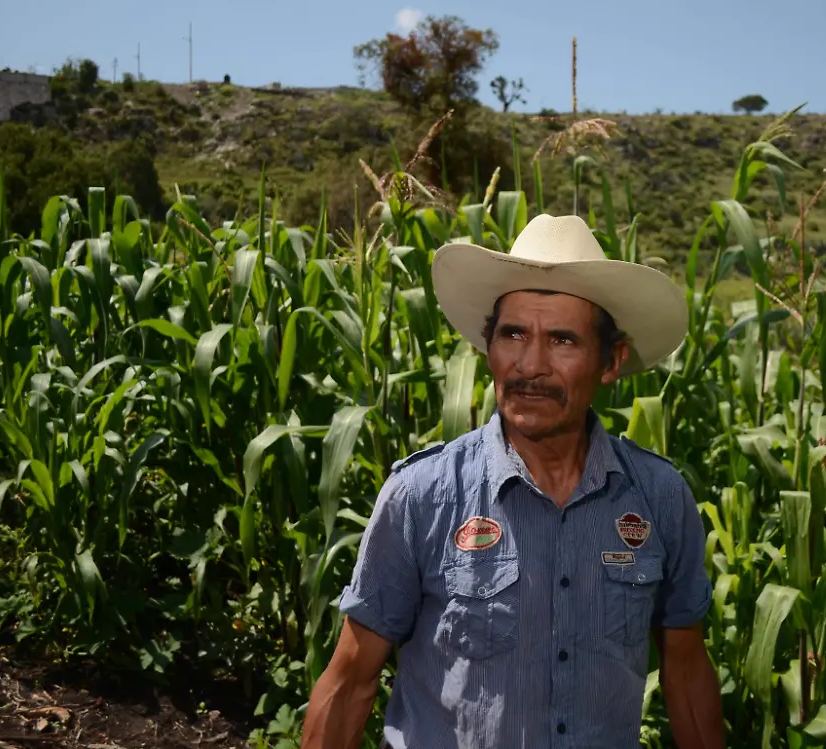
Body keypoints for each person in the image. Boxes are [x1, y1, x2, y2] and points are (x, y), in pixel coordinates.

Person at [302, 214, 725, 749]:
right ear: (488, 347)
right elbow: (349, 682)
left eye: (563, 340)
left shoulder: (659, 496)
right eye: (513, 334)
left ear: (611, 361)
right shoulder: (425, 494)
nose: (530, 365)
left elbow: (686, 670)